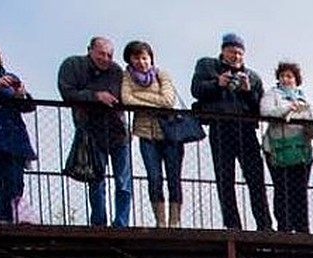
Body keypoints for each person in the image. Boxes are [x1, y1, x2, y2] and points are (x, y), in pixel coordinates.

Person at [191, 33, 272, 231]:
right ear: (223, 51)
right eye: (232, 52)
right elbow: (196, 89)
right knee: (224, 178)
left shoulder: (252, 77)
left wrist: (247, 90)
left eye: (239, 53)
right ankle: (233, 224)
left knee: (256, 178)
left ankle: (265, 225)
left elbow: (260, 109)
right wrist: (217, 83)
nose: (236, 56)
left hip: (245, 130)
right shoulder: (207, 66)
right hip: (220, 126)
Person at [57, 36, 132, 227]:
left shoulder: (116, 71)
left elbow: (120, 97)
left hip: (117, 131)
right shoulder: (73, 65)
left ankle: (121, 222)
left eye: (109, 55)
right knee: (96, 180)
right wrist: (96, 96)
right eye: (101, 54)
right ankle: (99, 222)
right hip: (90, 131)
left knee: (123, 181)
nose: (105, 58)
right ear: (90, 50)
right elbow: (67, 93)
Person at [120, 40, 182, 228]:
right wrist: (156, 102)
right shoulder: (127, 77)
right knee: (154, 178)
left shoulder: (161, 74)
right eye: (136, 58)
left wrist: (140, 98)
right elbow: (126, 100)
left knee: (174, 178)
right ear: (130, 60)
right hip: (146, 133)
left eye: (145, 57)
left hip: (170, 133)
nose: (141, 62)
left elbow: (168, 100)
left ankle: (174, 221)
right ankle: (160, 221)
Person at [260, 60, 313, 234]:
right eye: (283, 76)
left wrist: (309, 124)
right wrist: (288, 109)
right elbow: (266, 113)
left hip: (300, 151)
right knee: (282, 189)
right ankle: (284, 226)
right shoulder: (272, 95)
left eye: (290, 76)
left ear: (296, 79)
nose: (286, 79)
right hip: (278, 149)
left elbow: (311, 130)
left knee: (300, 191)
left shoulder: (303, 98)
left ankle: (302, 228)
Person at [0, 42, 36, 225]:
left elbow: (28, 106)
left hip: (13, 139)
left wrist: (21, 94)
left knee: (15, 182)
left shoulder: (10, 77)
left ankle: (14, 218)